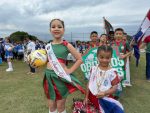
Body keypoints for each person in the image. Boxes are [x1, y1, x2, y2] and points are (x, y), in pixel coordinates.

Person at [42, 19, 85, 113]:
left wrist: (70, 70)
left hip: (60, 77)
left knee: (60, 106)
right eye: (53, 27)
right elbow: (45, 60)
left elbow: (80, 59)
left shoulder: (67, 45)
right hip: (48, 77)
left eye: (59, 26)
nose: (56, 29)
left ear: (64, 30)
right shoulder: (47, 46)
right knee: (51, 106)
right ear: (50, 30)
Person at [84, 45, 124, 113]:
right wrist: (86, 97)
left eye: (107, 58)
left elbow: (114, 88)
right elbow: (89, 83)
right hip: (92, 97)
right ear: (97, 56)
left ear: (111, 57)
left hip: (105, 99)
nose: (104, 60)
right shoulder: (93, 69)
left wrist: (104, 93)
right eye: (101, 57)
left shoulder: (112, 72)